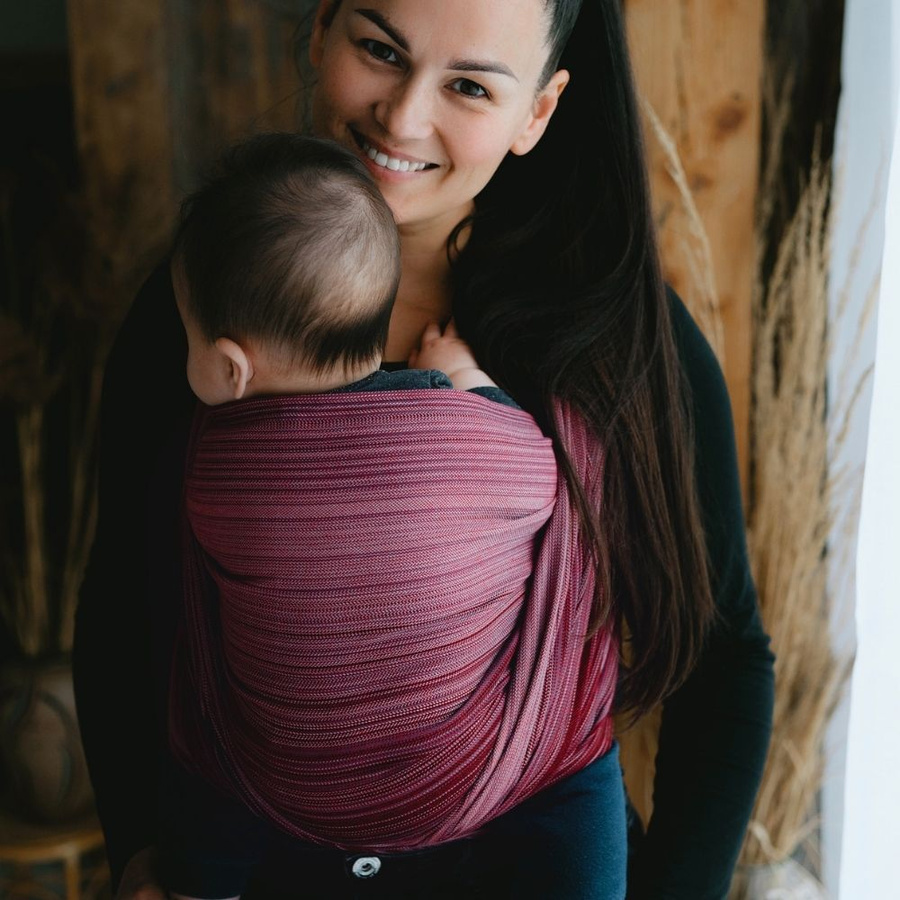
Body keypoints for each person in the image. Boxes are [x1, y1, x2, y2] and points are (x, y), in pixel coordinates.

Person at [73, 2, 776, 898]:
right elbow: (123, 608)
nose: (402, 119)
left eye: (471, 85)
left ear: (539, 113)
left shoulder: (623, 346)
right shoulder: (201, 308)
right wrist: (139, 845)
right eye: (378, 49)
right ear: (321, 28)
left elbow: (725, 665)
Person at [163, 130, 608, 900]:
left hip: (284, 783)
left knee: (207, 752)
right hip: (473, 772)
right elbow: (544, 482)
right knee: (576, 760)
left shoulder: (213, 474)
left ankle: (204, 886)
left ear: (231, 367)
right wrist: (462, 379)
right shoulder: (469, 441)